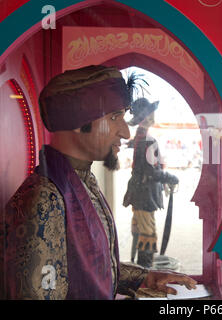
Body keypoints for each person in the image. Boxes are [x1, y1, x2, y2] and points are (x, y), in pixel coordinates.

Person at [0, 65, 196, 299]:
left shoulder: (81, 182)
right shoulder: (44, 201)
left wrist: (146, 277)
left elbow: (87, 268)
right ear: (77, 121)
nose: (125, 132)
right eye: (115, 117)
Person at [123, 98, 179, 268]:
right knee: (147, 234)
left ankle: (140, 270)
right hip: (145, 195)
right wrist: (170, 177)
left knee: (140, 231)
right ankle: (144, 274)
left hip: (139, 192)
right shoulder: (147, 140)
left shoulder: (140, 137)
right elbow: (150, 171)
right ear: (146, 117)